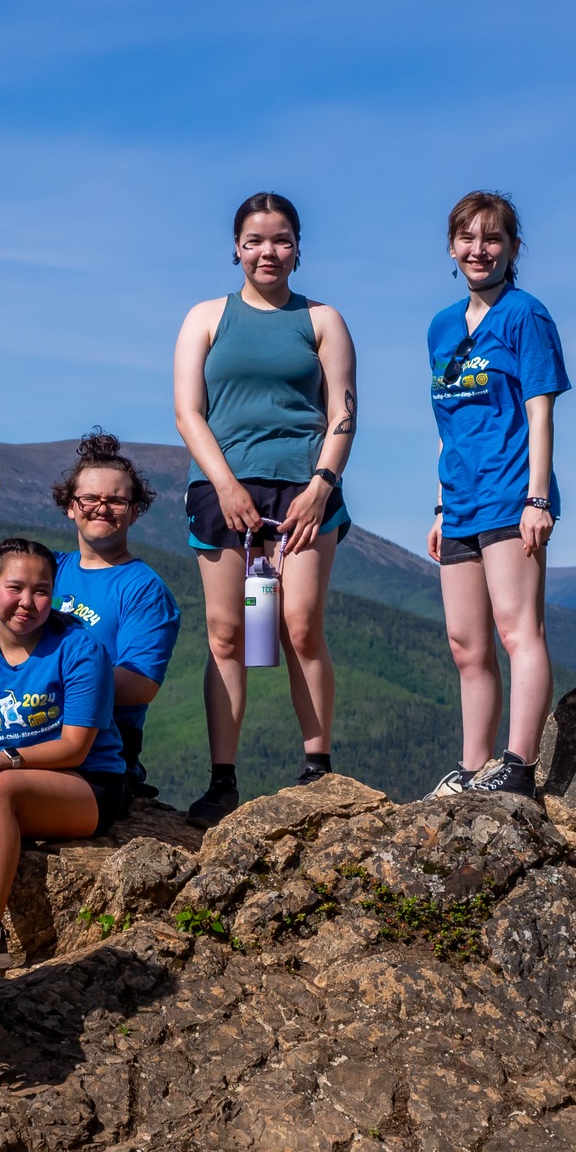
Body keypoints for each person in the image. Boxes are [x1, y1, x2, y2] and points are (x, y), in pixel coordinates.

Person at [173, 191, 359, 828]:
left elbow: (343, 413)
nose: (267, 252)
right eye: (254, 241)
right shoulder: (204, 318)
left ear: (299, 246)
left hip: (305, 491)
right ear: (235, 248)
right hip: (223, 490)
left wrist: (321, 485)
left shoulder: (323, 320)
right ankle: (222, 780)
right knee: (228, 633)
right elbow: (188, 413)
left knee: (300, 625)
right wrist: (224, 484)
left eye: (280, 240)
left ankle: (317, 768)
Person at [0, 430, 181, 800]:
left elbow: (142, 686)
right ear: (70, 506)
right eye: (89, 498)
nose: (101, 508)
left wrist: (44, 685)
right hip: (13, 721)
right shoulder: (47, 568)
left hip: (82, 741)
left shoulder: (142, 588)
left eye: (117, 501)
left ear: (134, 512)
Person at [425, 190, 570, 798]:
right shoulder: (440, 327)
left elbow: (540, 413)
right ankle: (472, 766)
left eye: (492, 238)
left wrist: (537, 499)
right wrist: (438, 503)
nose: (478, 250)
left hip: (513, 496)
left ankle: (517, 765)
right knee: (466, 643)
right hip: (459, 501)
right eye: (468, 238)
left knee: (517, 633)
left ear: (513, 248)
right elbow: (447, 427)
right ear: (452, 247)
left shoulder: (525, 315)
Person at [0, 537, 129, 970]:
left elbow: (75, 747)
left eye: (41, 591)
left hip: (89, 785)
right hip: (4, 786)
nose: (27, 602)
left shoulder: (80, 650)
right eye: (14, 588)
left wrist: (9, 761)